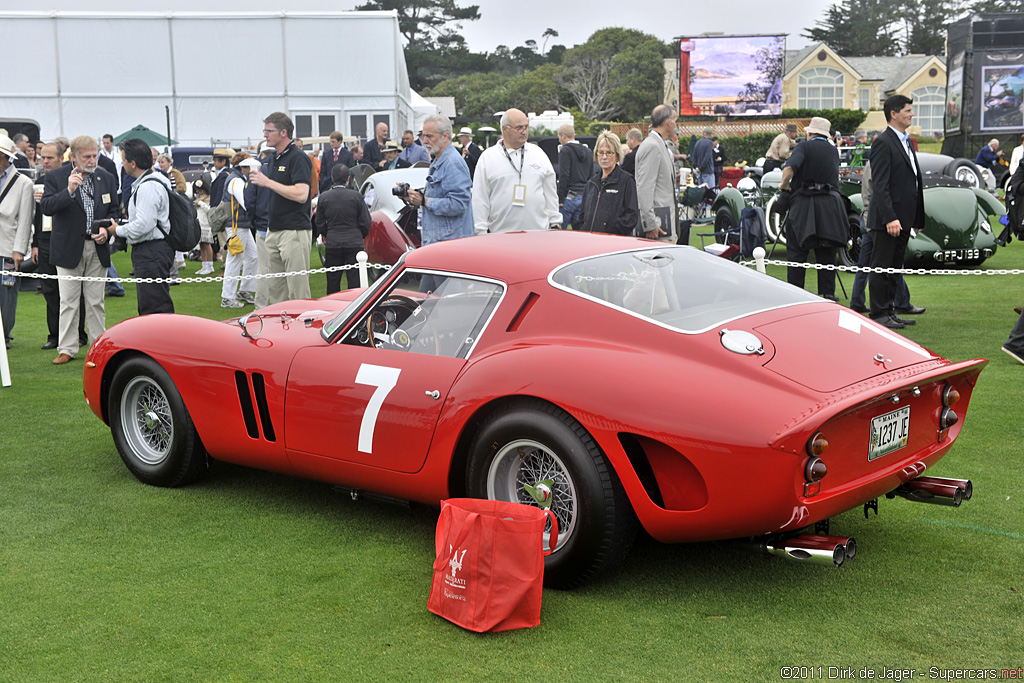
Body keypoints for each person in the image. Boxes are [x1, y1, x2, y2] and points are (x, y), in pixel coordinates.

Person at [40, 135, 120, 364]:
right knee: (68, 301)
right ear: (73, 157)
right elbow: (46, 207)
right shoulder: (55, 176)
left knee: (96, 301)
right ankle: (67, 348)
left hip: (98, 247)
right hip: (67, 249)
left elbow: (114, 210)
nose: (93, 160)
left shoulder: (106, 177)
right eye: (87, 156)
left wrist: (107, 230)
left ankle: (98, 347)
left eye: (95, 155)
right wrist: (69, 191)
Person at [867, 95, 925, 330]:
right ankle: (879, 312)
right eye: (908, 110)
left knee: (894, 267)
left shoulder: (906, 142)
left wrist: (917, 217)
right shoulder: (883, 142)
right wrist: (890, 217)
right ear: (894, 113)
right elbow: (879, 185)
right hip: (887, 221)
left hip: (904, 220)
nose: (912, 114)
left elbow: (914, 181)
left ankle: (889, 311)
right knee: (882, 267)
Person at [778, 116, 848, 301]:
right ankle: (828, 293)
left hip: (804, 204)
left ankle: (795, 294)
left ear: (809, 133)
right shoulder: (833, 151)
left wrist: (784, 185)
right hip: (829, 205)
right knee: (827, 251)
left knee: (797, 251)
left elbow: (789, 169)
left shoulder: (804, 146)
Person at [105, 138, 175, 317]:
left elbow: (144, 224)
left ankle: (159, 343)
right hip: (155, 249)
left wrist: (118, 230)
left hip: (151, 250)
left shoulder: (148, 186)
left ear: (133, 163)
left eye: (124, 159)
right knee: (155, 302)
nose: (122, 163)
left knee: (153, 306)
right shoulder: (155, 180)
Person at [249, 112, 313, 304]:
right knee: (276, 294)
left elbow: (302, 194)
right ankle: (281, 332)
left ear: (283, 132)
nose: (265, 135)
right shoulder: (275, 158)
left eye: (269, 131)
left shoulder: (299, 157)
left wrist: (267, 182)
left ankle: (302, 333)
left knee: (298, 292)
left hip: (294, 231)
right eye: (265, 131)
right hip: (274, 230)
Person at [848, 161, 923, 319]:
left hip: (869, 217)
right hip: (875, 219)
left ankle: (857, 302)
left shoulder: (874, 163)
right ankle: (900, 303)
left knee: (867, 264)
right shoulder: (878, 163)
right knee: (889, 263)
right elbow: (875, 191)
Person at [31, 142, 86, 350]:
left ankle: (79, 334)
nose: (45, 162)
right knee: (50, 289)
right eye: (42, 157)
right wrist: (35, 243)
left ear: (61, 157)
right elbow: (38, 215)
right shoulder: (40, 181)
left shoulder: (75, 177)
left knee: (74, 290)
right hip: (45, 240)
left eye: (50, 158)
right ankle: (54, 334)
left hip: (68, 239)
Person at [472, 108, 560, 235]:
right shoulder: (488, 158)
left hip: (539, 234)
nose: (524, 132)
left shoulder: (538, 153)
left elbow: (550, 191)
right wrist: (480, 231)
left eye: (526, 127)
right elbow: (480, 198)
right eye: (519, 128)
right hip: (500, 236)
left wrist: (555, 223)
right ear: (504, 129)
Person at [406, 114, 474, 250]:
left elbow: (459, 204)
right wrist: (413, 197)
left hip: (451, 246)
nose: (425, 141)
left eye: (429, 136)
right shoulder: (439, 159)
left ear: (445, 136)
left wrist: (425, 201)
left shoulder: (452, 162)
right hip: (442, 243)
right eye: (423, 136)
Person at [0, 134, 35, 350]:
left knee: (7, 295)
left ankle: (4, 334)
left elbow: (25, 220)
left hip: (8, 247)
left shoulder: (24, 183)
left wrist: (19, 250)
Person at [314, 164, 371, 293]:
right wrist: (360, 235)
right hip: (354, 242)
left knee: (333, 282)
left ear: (332, 178)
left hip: (333, 242)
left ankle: (334, 308)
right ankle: (356, 309)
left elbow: (319, 222)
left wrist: (326, 233)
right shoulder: (356, 196)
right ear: (348, 179)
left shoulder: (324, 197)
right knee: (355, 281)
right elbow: (366, 221)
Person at [577, 130, 638, 236]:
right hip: (589, 242)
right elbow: (582, 216)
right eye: (601, 152)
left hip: (614, 243)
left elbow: (631, 216)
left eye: (609, 152)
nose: (604, 157)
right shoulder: (591, 183)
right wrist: (583, 230)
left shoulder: (626, 180)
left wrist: (612, 231)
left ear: (617, 155)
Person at [219, 155, 259, 307]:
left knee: (253, 257)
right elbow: (245, 202)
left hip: (242, 225)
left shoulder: (238, 179)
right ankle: (227, 297)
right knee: (234, 259)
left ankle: (244, 290)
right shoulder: (236, 180)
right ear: (243, 167)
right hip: (236, 225)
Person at [635, 104, 678, 240]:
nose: (676, 125)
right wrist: (650, 224)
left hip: (665, 226)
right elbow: (644, 188)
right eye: (675, 120)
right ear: (668, 122)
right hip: (658, 229)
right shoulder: (652, 146)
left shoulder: (659, 144)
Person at [556, 124, 591, 229]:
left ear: (563, 136)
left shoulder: (565, 151)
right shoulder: (588, 151)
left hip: (570, 195)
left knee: (560, 231)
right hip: (584, 195)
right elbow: (591, 175)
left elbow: (564, 175)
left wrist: (560, 199)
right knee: (578, 232)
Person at [192, 174, 216, 276]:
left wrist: (200, 203)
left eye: (200, 190)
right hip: (199, 224)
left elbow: (209, 210)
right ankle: (204, 266)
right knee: (202, 245)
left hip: (206, 224)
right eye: (197, 190)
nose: (199, 192)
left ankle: (210, 266)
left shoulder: (209, 198)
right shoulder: (198, 198)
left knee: (207, 245)